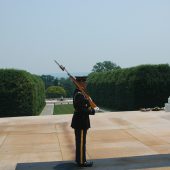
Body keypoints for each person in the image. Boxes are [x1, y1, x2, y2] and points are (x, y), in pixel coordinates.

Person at [71, 76, 95, 167]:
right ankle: (81, 162)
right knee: (81, 143)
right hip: (81, 121)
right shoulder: (79, 94)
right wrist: (91, 111)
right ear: (80, 83)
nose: (86, 84)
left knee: (80, 142)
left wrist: (89, 103)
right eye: (84, 82)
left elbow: (84, 105)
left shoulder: (79, 93)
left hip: (80, 121)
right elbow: (82, 109)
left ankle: (79, 160)